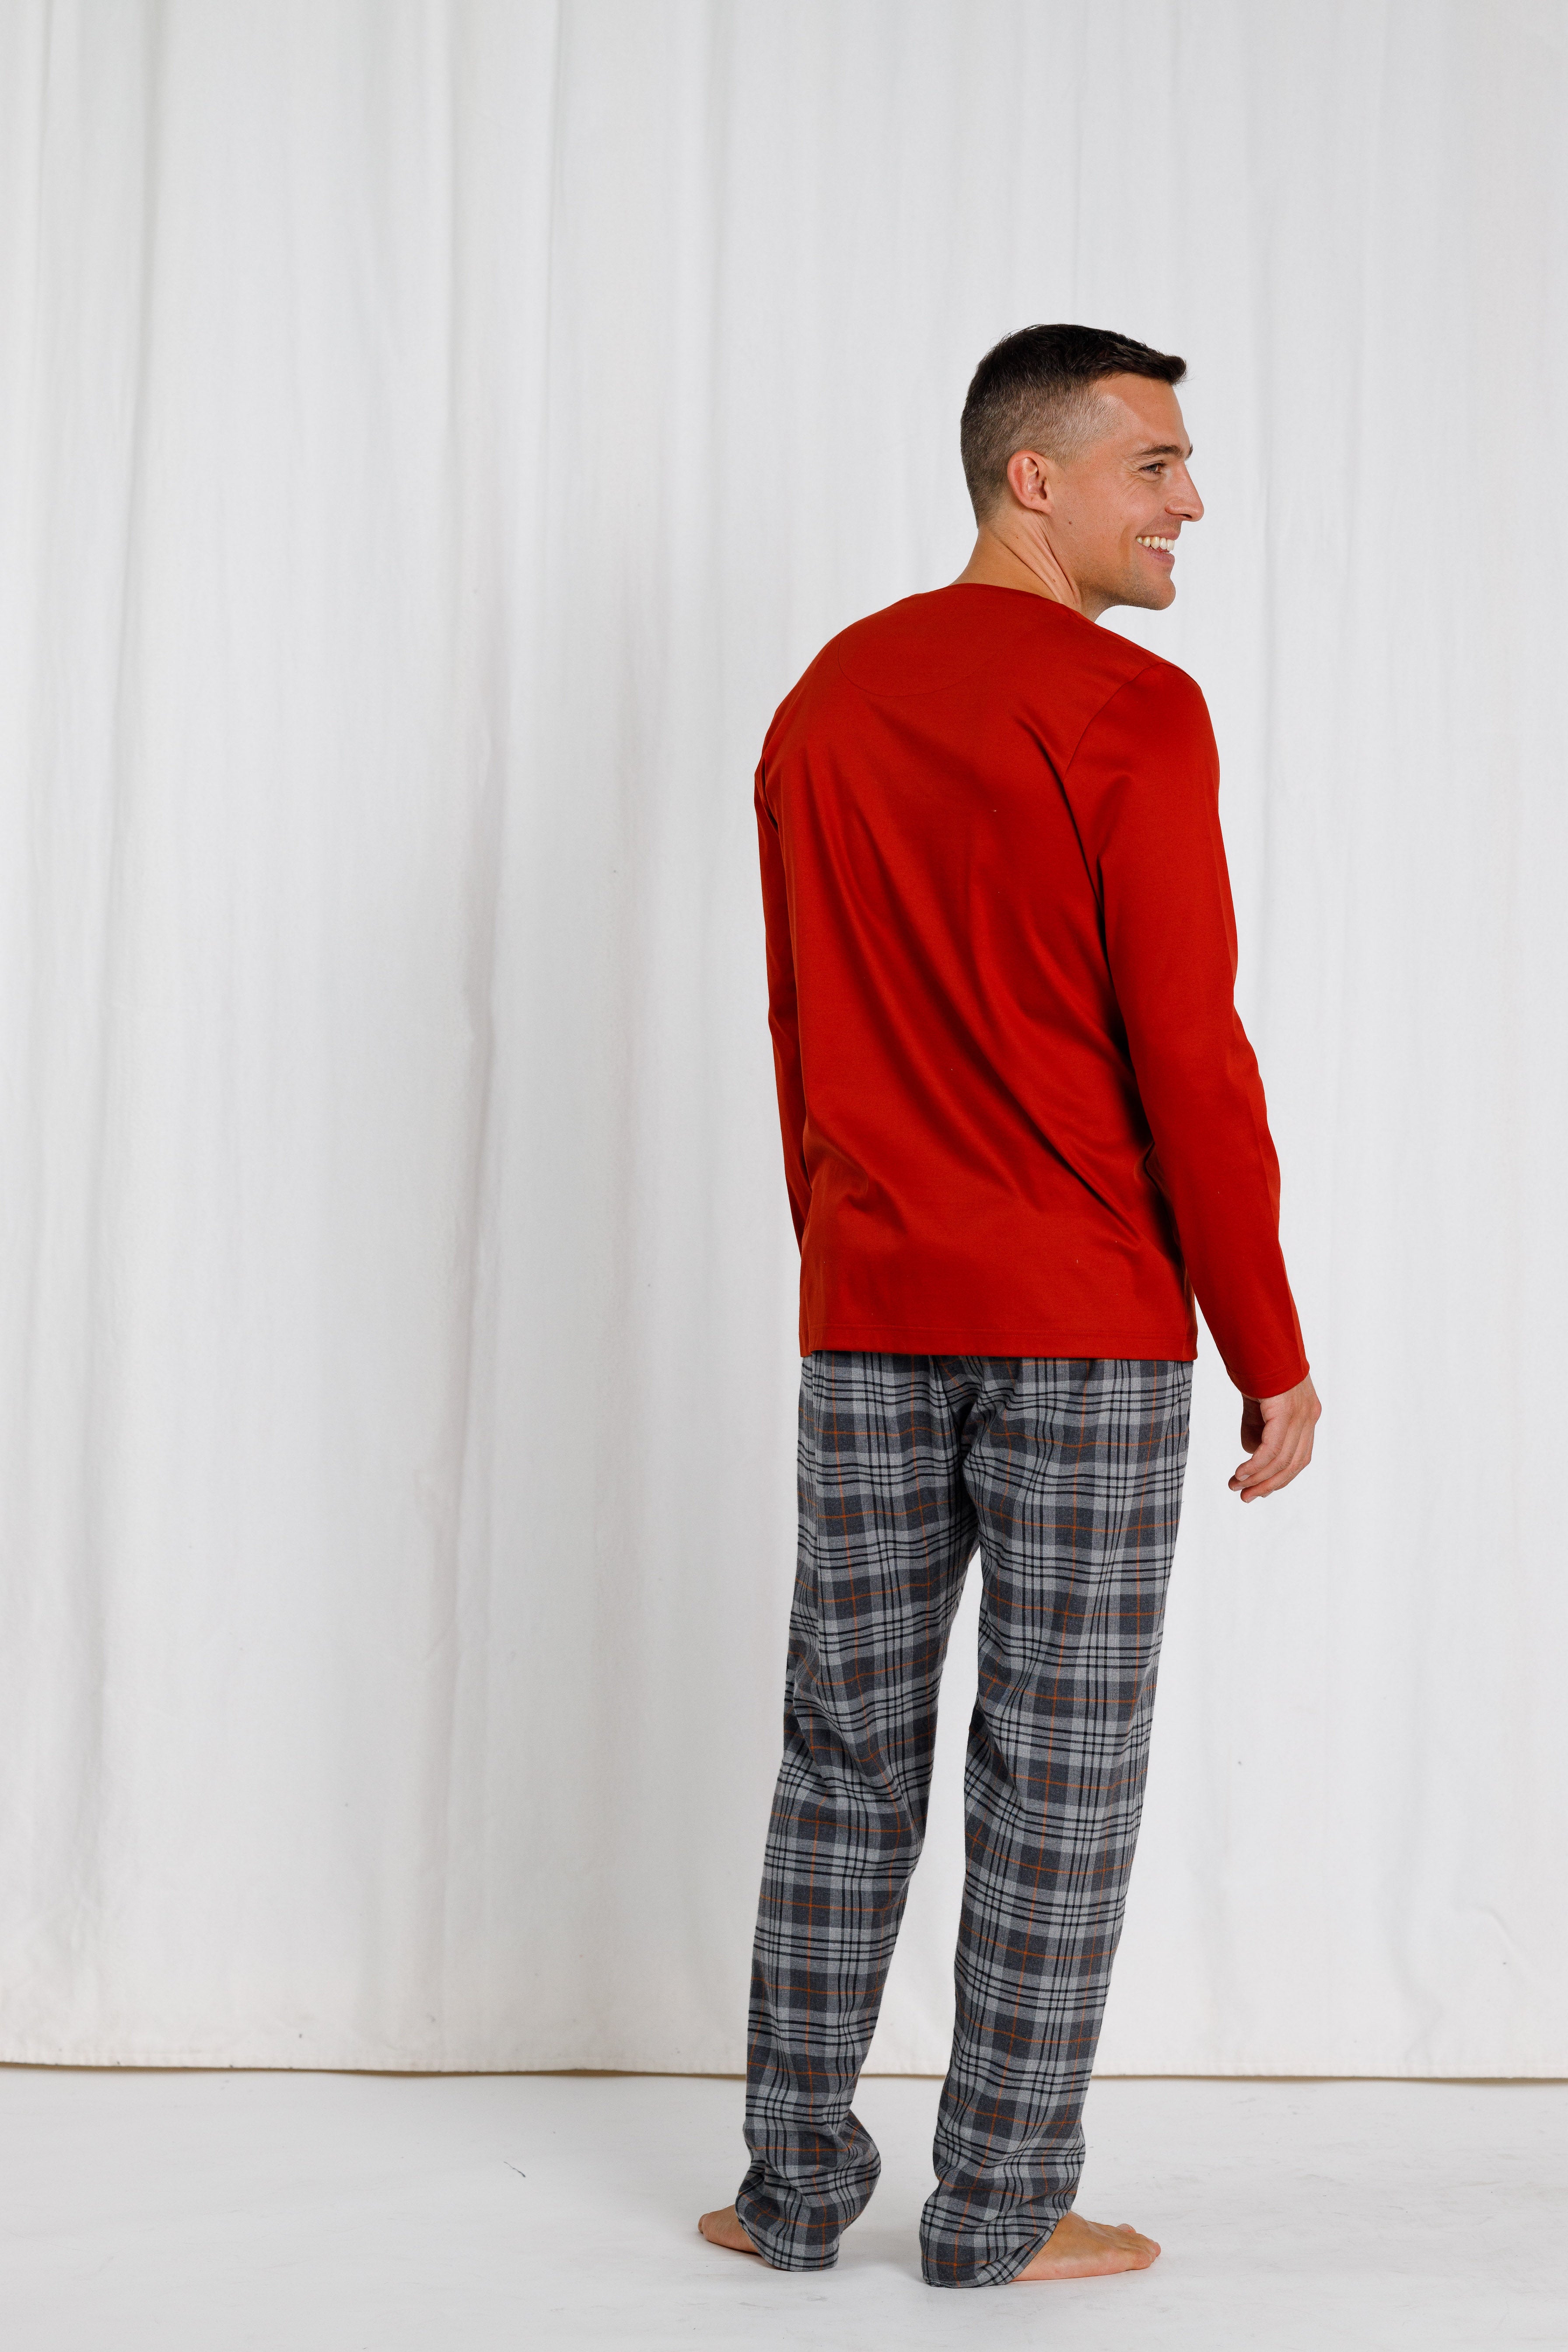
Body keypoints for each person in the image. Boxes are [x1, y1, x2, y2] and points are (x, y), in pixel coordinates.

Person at [699, 324, 1320, 2290]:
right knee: (1055, 1770)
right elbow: (1188, 1053)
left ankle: (789, 2195)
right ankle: (995, 2209)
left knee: (841, 1754)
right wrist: (1269, 1343)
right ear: (1031, 477)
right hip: (1085, 1323)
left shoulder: (826, 699)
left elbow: (800, 1027)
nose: (1190, 500)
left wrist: (846, 1249)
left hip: (870, 1304)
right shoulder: (1129, 708)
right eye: (1155, 465)